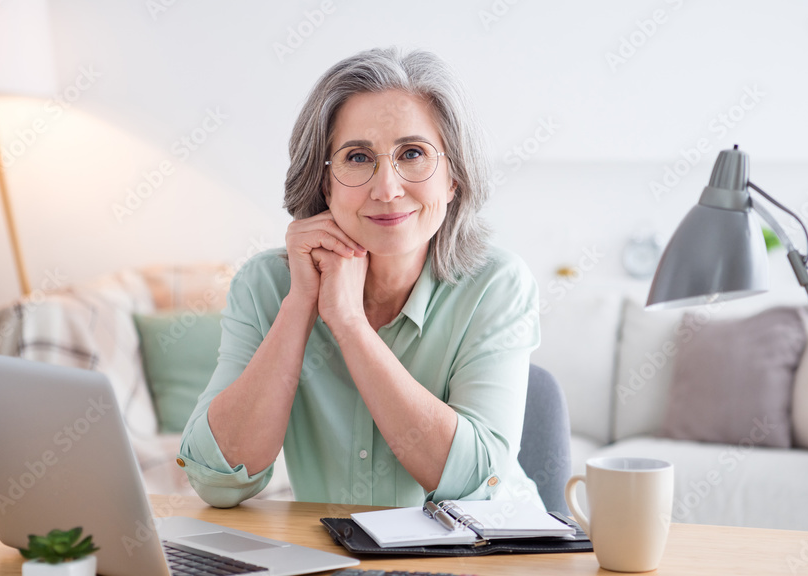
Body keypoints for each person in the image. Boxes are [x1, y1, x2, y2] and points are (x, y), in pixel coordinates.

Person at [178, 47, 543, 510]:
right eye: (356, 157)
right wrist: (300, 305)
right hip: (333, 565)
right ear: (324, 182)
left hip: (489, 556)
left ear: (453, 178)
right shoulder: (266, 285)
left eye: (412, 153)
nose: (387, 189)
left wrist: (349, 324)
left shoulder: (497, 284)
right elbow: (215, 480)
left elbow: (474, 483)